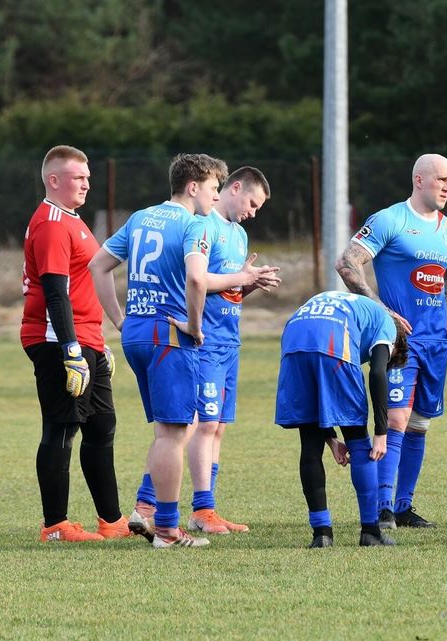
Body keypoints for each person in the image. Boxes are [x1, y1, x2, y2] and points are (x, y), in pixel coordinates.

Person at [89, 153, 234, 548]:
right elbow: (196, 278)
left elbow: (98, 266)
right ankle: (167, 530)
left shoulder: (140, 217)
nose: (216, 197)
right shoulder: (195, 224)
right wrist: (194, 324)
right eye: (213, 188)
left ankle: (147, 509)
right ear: (193, 186)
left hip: (136, 332)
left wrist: (120, 320)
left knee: (166, 430)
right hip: (168, 334)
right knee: (175, 432)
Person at [128, 167, 280, 536]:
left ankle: (165, 507)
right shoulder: (201, 222)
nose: (253, 212)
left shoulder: (239, 234)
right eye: (252, 203)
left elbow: (227, 288)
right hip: (202, 340)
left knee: (216, 427)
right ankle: (190, 508)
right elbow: (194, 281)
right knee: (197, 424)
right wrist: (240, 279)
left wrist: (250, 284)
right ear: (235, 187)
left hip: (230, 340)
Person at [337, 153, 447, 529]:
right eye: (440, 179)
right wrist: (382, 312)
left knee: (420, 423)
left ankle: (404, 506)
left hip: (436, 341)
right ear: (419, 180)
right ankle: (383, 507)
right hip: (398, 342)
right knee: (396, 416)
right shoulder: (390, 219)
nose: (446, 186)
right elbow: (346, 262)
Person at [21, 145, 129, 542]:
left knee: (102, 426)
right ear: (54, 180)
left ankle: (113, 522)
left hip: (87, 338)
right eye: (78, 177)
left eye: (87, 176)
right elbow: (55, 292)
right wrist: (70, 350)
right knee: (62, 428)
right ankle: (55, 526)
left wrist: (98, 343)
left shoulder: (73, 220)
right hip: (56, 339)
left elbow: (84, 285)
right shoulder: (51, 222)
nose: (87, 183)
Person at [274, 291, 409, 548]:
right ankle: (371, 531)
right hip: (333, 340)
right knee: (360, 443)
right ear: (396, 346)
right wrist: (381, 432)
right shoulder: (387, 325)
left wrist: (331, 438)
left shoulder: (353, 305)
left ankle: (321, 534)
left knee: (310, 446)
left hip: (293, 340)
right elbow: (378, 372)